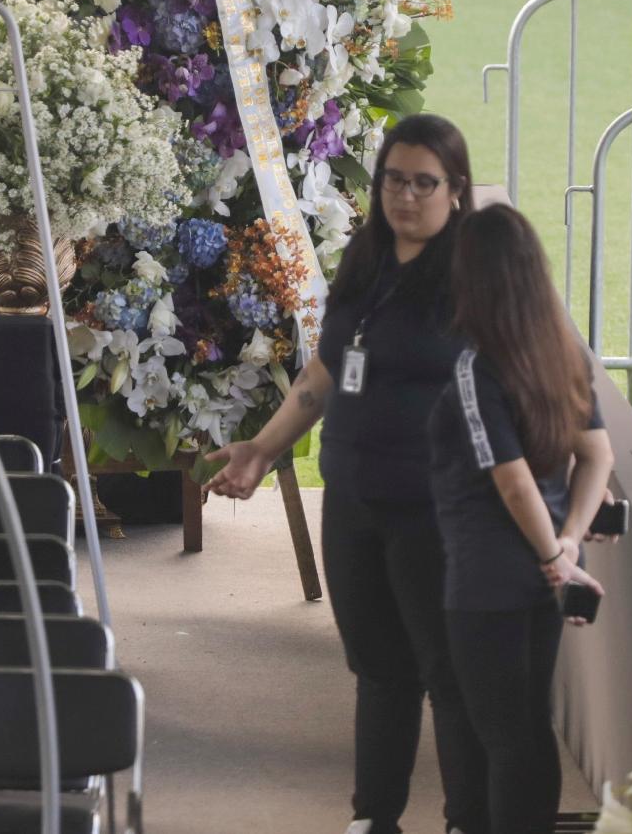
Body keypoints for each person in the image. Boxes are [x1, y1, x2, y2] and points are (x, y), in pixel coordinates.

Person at [206, 113, 483, 834]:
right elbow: (329, 367)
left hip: (436, 507)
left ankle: (468, 820)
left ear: (456, 191)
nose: (407, 196)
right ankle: (374, 818)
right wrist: (262, 448)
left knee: (447, 675)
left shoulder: (473, 279)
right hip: (355, 502)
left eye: (426, 183)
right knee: (379, 668)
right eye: (395, 179)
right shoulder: (366, 263)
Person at [428, 204, 614, 834]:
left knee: (501, 740)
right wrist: (566, 545)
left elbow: (510, 481)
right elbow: (597, 457)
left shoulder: (477, 368)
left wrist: (551, 552)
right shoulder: (564, 353)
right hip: (546, 580)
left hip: (488, 581)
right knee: (530, 732)